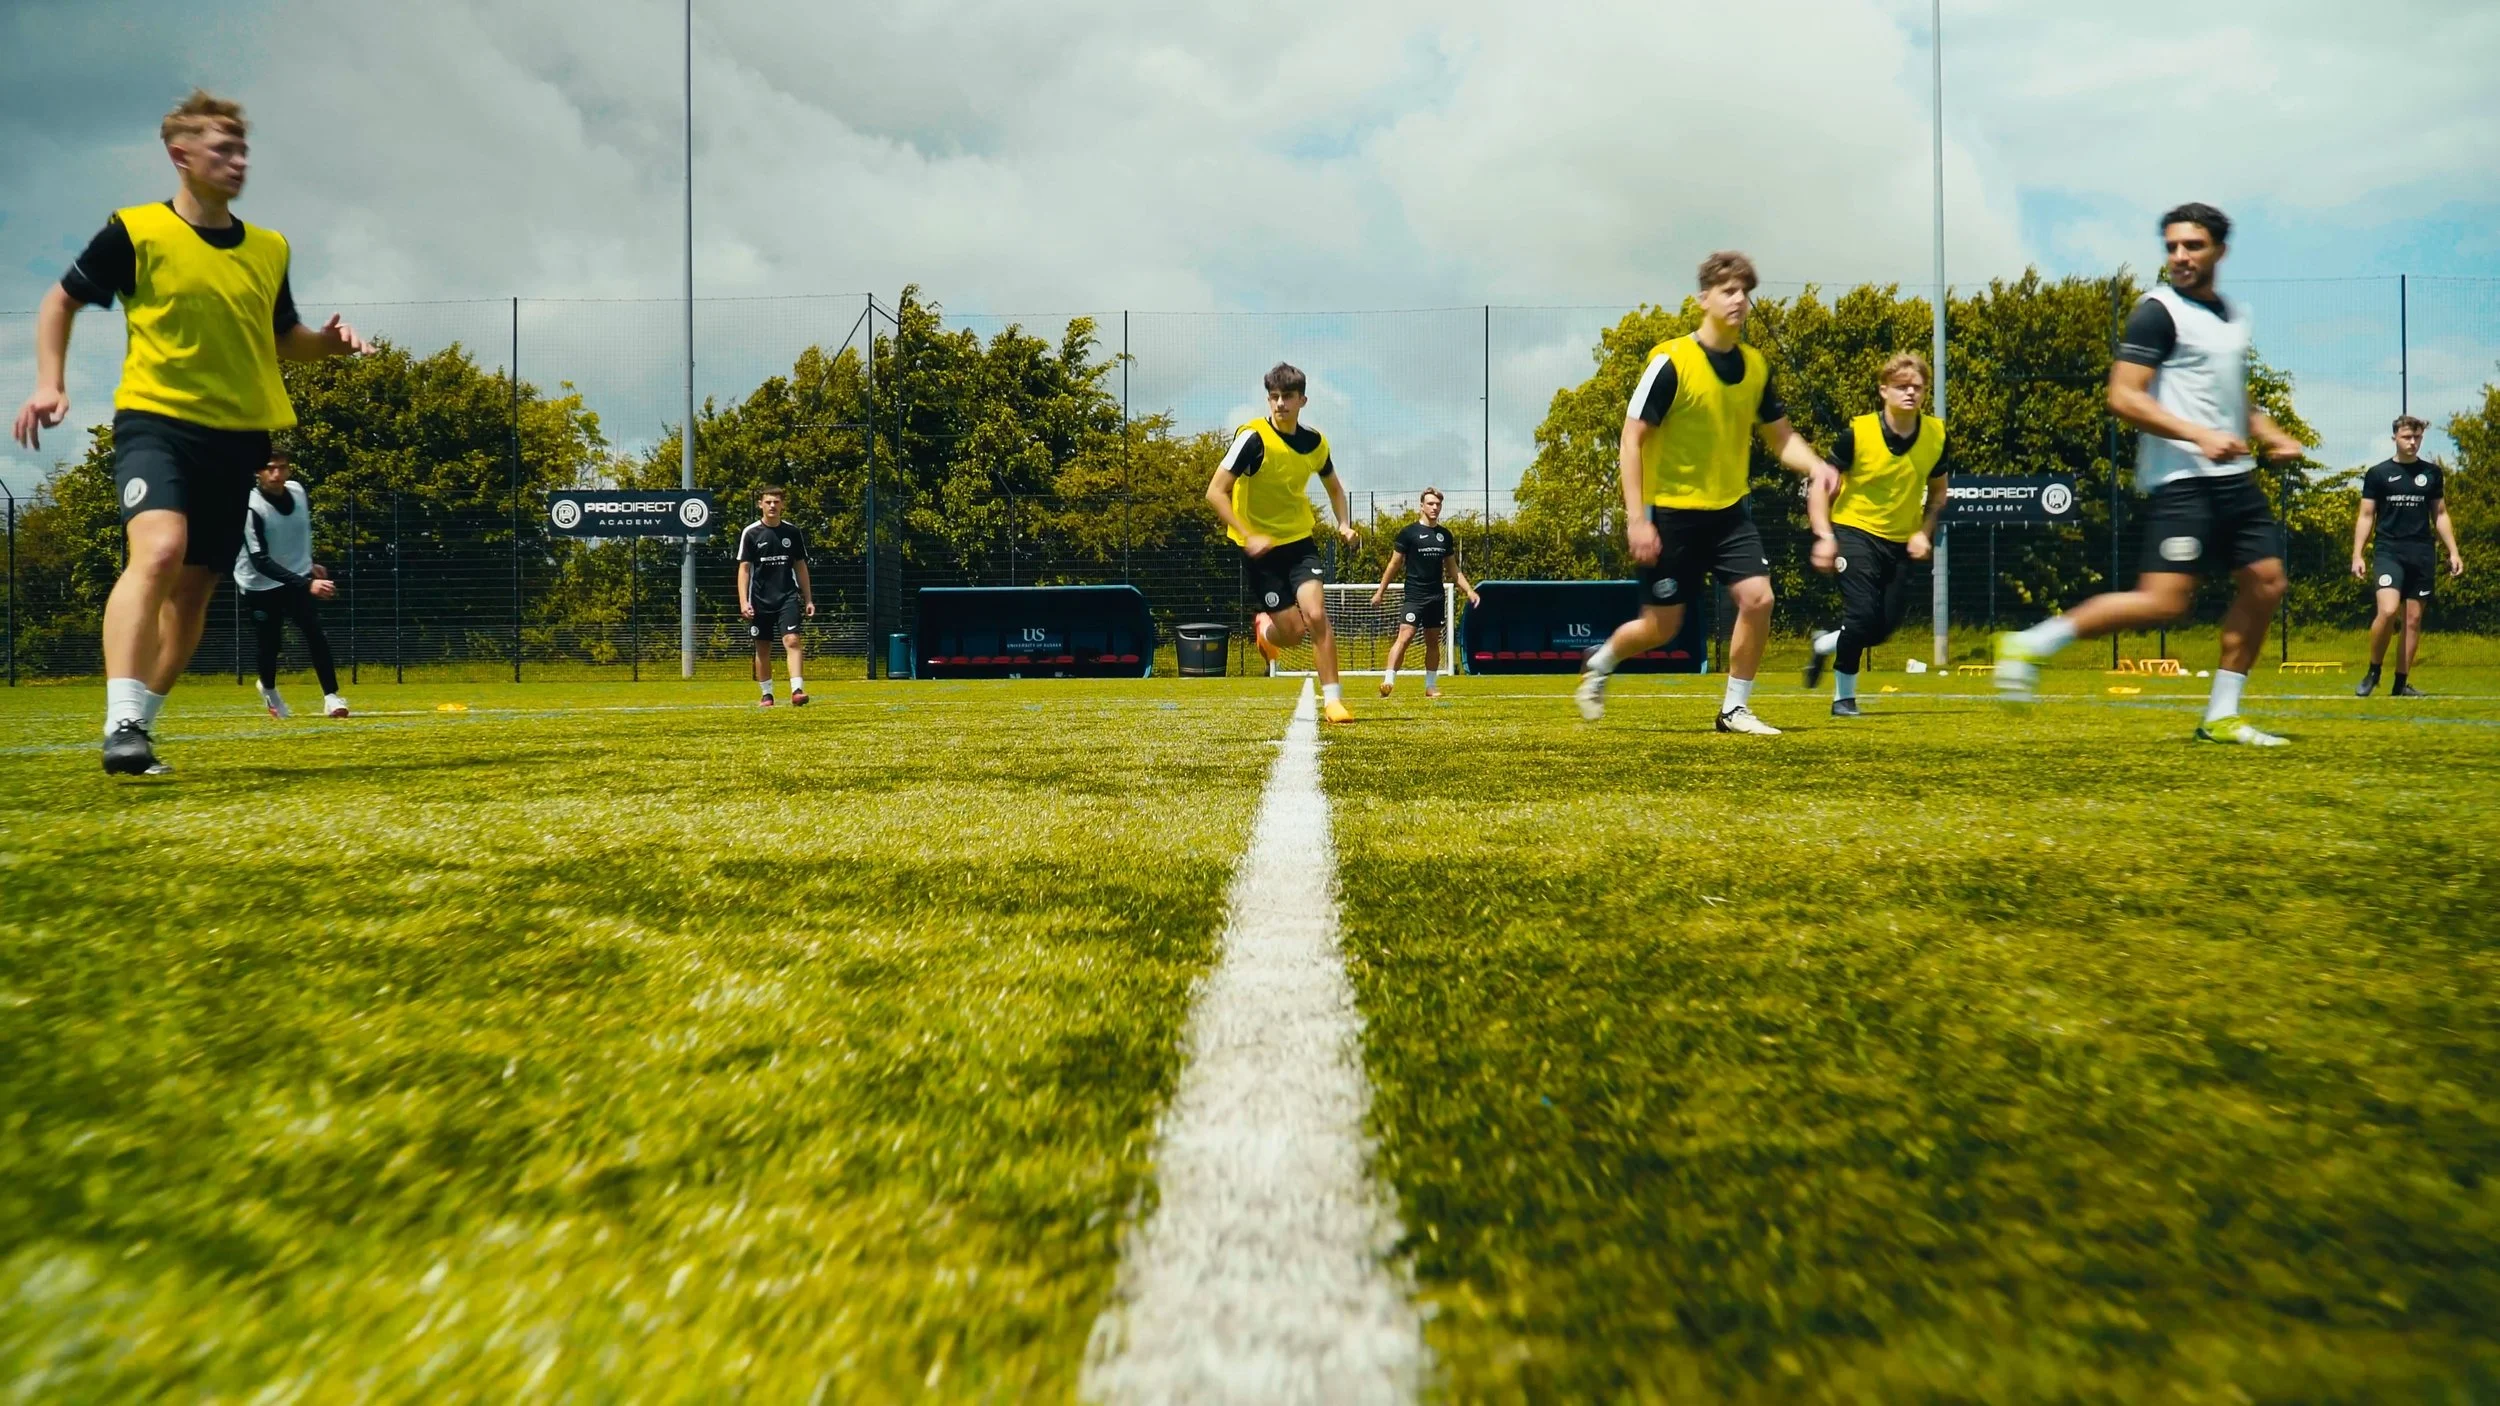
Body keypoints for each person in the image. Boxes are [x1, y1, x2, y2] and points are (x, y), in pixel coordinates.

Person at [11, 90, 369, 775]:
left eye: (242, 151)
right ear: (181, 155)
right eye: (222, 149)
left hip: (238, 436)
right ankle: (119, 715)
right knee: (158, 550)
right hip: (156, 421)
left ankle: (136, 730)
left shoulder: (268, 248)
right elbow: (61, 299)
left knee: (194, 593)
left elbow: (282, 339)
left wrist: (329, 346)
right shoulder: (136, 231)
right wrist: (50, 381)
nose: (237, 162)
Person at [1993, 203, 2304, 745]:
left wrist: (2268, 432)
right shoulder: (2157, 312)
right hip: (2183, 481)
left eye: (2193, 246)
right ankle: (2030, 643)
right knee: (2165, 602)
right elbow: (2123, 396)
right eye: (2172, 246)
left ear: (2220, 251)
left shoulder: (2233, 317)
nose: (2180, 256)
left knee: (2267, 583)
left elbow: (2232, 398)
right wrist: (2199, 435)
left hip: (2236, 480)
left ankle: (2222, 715)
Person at [1574, 251, 1843, 734]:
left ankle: (1734, 709)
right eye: (1729, 290)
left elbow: (1780, 438)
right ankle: (1601, 662)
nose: (1739, 300)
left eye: (1746, 291)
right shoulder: (1670, 361)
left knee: (1759, 599)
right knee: (1662, 629)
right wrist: (1637, 519)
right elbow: (1631, 437)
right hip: (1670, 517)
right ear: (1704, 299)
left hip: (1729, 515)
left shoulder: (1757, 368)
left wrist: (1817, 465)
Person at [1205, 362, 1361, 724]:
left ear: (1302, 400)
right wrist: (1248, 534)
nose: (1279, 404)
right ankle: (1266, 629)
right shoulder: (1252, 439)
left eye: (1287, 397)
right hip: (1258, 551)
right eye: (1273, 397)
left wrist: (1344, 524)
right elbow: (1215, 492)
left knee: (1317, 614)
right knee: (1290, 635)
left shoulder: (1314, 443)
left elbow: (1334, 488)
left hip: (1298, 542)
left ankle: (1333, 701)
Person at [1803, 354, 1950, 715]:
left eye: (1918, 387)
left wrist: (1923, 532)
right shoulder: (1857, 433)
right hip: (1855, 531)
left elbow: (1939, 494)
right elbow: (1819, 487)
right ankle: (1843, 697)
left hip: (1901, 541)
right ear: (1884, 390)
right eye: (1902, 386)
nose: (1911, 393)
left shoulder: (1936, 435)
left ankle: (1824, 645)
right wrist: (1824, 534)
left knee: (1881, 630)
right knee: (1860, 618)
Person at [2352, 415, 2465, 697]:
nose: (2412, 442)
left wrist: (2453, 551)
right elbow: (2366, 515)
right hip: (2389, 550)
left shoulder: (2432, 473)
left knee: (2413, 620)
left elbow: (2439, 514)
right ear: (2395, 438)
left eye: (2417, 438)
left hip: (2422, 553)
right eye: (2406, 437)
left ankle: (2400, 684)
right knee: (2388, 610)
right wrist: (2358, 554)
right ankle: (2374, 670)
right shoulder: (2378, 474)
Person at [235, 448, 347, 719]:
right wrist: (306, 584)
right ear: (258, 472)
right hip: (259, 583)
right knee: (270, 644)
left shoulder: (297, 491)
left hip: (294, 577)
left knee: (315, 633)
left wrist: (308, 563)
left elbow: (298, 531)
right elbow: (260, 559)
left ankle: (332, 697)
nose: (277, 473)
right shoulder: (250, 507)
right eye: (271, 467)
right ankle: (269, 691)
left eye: (283, 467)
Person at [1369, 486, 1479, 699]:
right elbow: (1394, 564)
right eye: (1430, 503)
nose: (1435, 507)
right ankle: (1388, 681)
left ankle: (1430, 686)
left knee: (1433, 641)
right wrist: (1380, 592)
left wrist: (1469, 591)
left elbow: (1453, 569)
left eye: (1438, 504)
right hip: (1414, 596)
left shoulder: (1445, 536)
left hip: (1436, 596)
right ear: (1421, 506)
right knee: (1406, 635)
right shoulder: (1408, 533)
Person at [736, 487, 815, 707]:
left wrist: (808, 598)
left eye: (776, 502)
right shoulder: (750, 533)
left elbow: (800, 566)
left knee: (792, 640)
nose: (772, 506)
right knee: (763, 647)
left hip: (787, 596)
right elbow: (744, 569)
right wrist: (744, 601)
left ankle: (797, 690)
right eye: (768, 502)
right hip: (759, 600)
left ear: (782, 505)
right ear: (760, 504)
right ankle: (767, 694)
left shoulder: (792, 532)